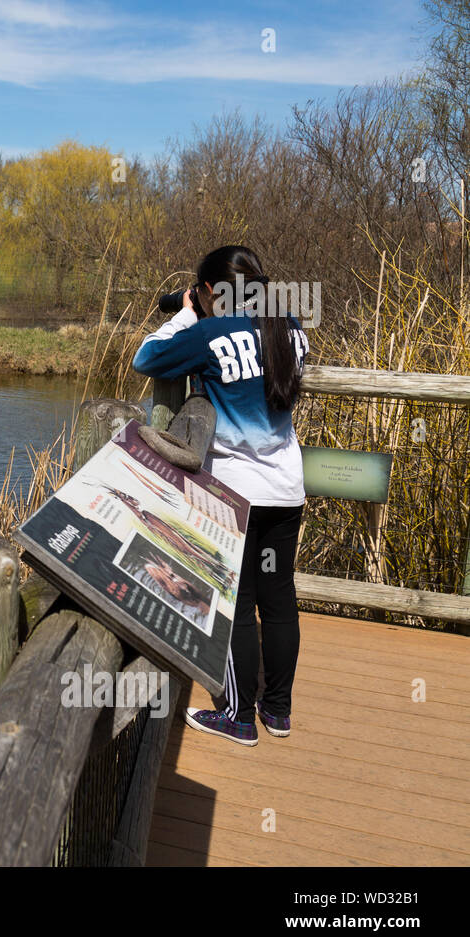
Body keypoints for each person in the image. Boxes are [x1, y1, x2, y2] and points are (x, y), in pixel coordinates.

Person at [132, 245, 310, 746]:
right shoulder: (288, 328)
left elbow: (145, 357)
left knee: (236, 601)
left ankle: (237, 715)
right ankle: (278, 712)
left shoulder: (209, 333)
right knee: (277, 599)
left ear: (211, 291)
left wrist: (187, 315)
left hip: (236, 494)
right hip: (286, 489)